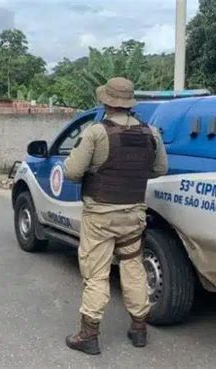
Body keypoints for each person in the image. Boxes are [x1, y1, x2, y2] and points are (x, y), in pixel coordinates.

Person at [63, 77, 168, 355]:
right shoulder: (151, 133)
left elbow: (73, 171)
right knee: (132, 267)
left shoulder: (96, 132)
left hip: (100, 216)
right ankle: (139, 329)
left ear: (106, 101)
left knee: (96, 274)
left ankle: (89, 334)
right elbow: (160, 169)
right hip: (133, 215)